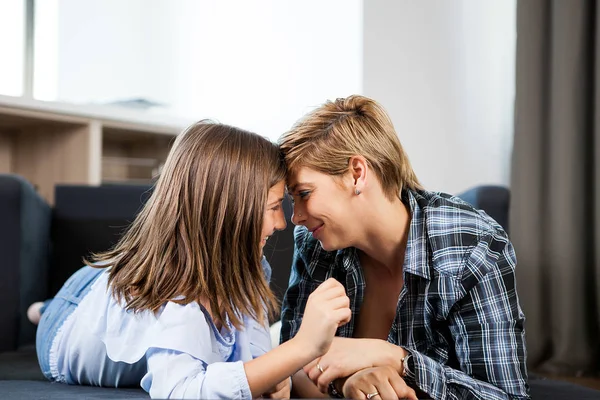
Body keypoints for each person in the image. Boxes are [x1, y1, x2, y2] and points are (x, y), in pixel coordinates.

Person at [29, 121, 351, 399]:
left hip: (115, 284)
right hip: (70, 316)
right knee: (48, 313)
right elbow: (180, 389)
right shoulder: (180, 299)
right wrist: (303, 347)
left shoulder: (244, 267)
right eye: (273, 206)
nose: (282, 223)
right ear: (229, 213)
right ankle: (41, 311)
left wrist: (273, 377)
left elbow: (254, 358)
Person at [278, 95, 530, 400]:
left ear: (357, 173)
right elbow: (290, 370)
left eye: (304, 193)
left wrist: (396, 359)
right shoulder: (314, 244)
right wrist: (345, 385)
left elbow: (506, 395)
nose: (297, 217)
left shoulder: (471, 246)